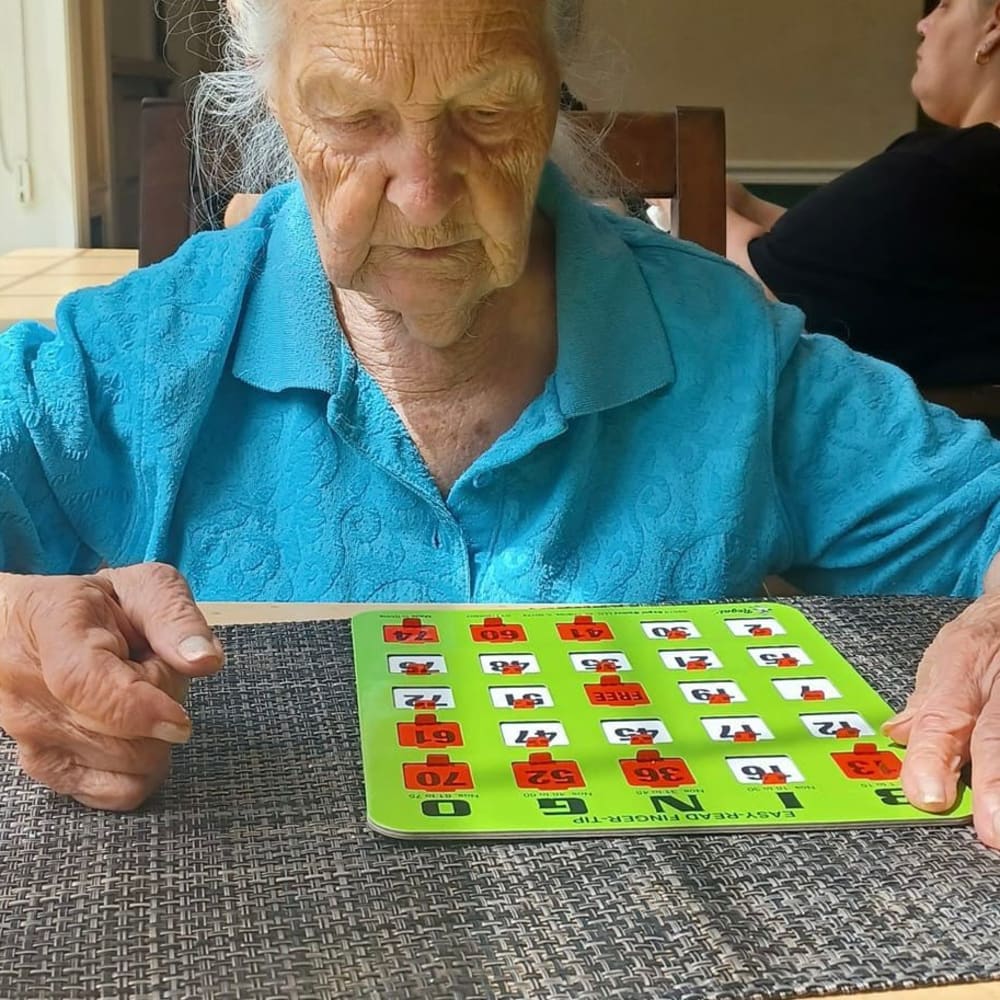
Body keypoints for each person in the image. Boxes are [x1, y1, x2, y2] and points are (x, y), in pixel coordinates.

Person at [1, 0, 1000, 852]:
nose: (426, 194)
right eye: (351, 115)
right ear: (270, 95)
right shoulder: (134, 357)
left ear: (555, 84)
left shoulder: (724, 351)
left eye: (489, 111)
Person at [717, 0, 1000, 386]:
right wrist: (740, 202)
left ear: (994, 24)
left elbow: (763, 286)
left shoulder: (945, 169)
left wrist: (687, 196)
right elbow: (834, 252)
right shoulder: (956, 183)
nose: (923, 24)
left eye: (946, 6)